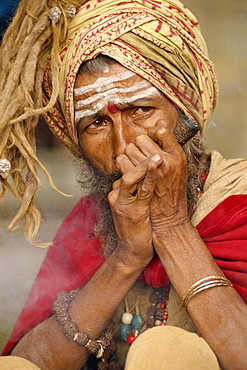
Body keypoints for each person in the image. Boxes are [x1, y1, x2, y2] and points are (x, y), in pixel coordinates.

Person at [0, 0, 247, 369]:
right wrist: (125, 259)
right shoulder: (89, 223)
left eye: (140, 111)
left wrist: (171, 225)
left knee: (167, 352)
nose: (122, 146)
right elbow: (26, 361)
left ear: (184, 110)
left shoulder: (238, 200)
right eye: (96, 124)